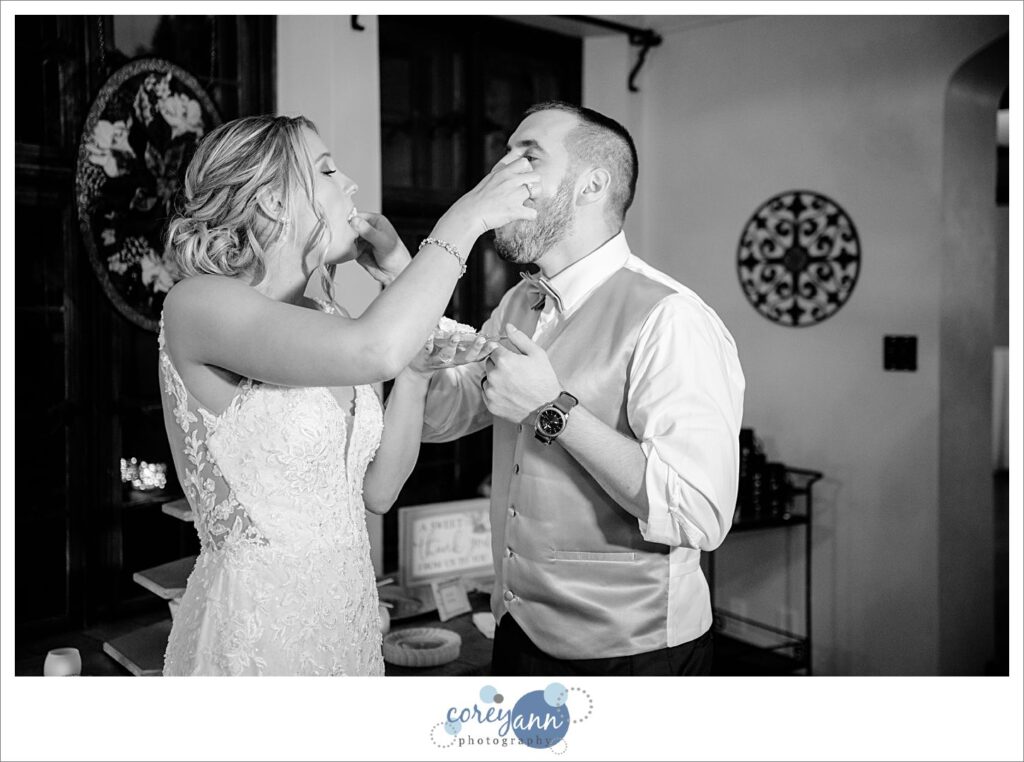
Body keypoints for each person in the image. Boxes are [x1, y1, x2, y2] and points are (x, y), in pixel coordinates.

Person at [158, 114, 538, 675]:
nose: (351, 186)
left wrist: (412, 376)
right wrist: (465, 219)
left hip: (347, 618)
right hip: (259, 630)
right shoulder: (197, 305)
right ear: (269, 202)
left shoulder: (325, 318)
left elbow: (379, 491)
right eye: (328, 170)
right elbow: (376, 346)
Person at [418, 102, 746, 676]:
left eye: (528, 156)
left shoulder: (672, 318)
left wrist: (553, 409)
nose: (502, 174)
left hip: (634, 651)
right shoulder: (521, 302)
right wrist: (407, 298)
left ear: (592, 184)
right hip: (516, 630)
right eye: (505, 156)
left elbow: (700, 512)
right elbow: (442, 417)